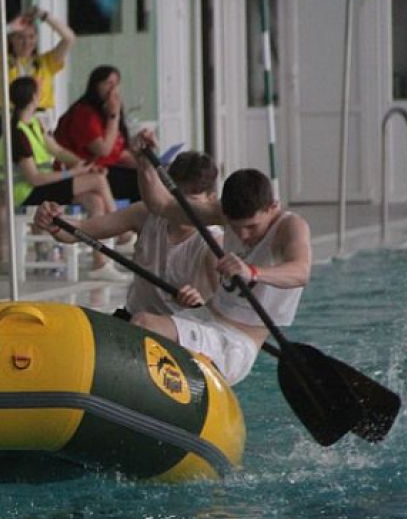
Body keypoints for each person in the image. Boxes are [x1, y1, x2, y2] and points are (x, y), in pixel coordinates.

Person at [130, 164, 312, 386]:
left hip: (235, 343)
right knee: (138, 323)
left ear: (273, 207)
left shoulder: (290, 226)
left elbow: (300, 271)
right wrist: (143, 163)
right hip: (203, 317)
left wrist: (252, 272)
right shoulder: (223, 213)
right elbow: (162, 205)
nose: (242, 235)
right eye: (235, 227)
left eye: (252, 227)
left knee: (145, 325)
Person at [34, 150, 223, 318]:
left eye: (192, 202)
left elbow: (224, 315)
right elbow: (79, 231)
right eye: (174, 199)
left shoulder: (214, 244)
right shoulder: (145, 214)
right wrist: (54, 223)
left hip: (183, 330)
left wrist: (200, 305)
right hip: (134, 320)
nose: (181, 209)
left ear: (212, 201)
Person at [0, 6, 76, 275]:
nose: (26, 42)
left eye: (30, 37)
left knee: (42, 183)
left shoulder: (45, 63)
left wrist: (46, 18)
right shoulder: (2, 63)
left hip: (39, 122)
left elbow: (69, 38)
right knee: (7, 190)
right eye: (20, 37)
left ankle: (42, 248)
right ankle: (2, 257)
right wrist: (10, 26)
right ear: (12, 39)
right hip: (10, 121)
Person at [0, 76, 128, 281]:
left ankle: (100, 263)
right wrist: (74, 173)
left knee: (95, 201)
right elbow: (34, 178)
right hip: (26, 192)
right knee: (98, 181)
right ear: (34, 97)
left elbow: (57, 150)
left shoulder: (34, 124)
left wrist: (84, 165)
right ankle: (123, 230)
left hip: (42, 187)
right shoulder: (17, 134)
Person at [54, 65, 145, 205]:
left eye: (116, 84)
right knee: (138, 184)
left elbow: (119, 150)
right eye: (108, 83)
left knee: (149, 176)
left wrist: (143, 163)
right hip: (84, 171)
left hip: (106, 167)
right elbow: (103, 150)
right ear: (95, 85)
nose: (113, 89)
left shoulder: (103, 109)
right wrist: (113, 116)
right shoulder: (83, 113)